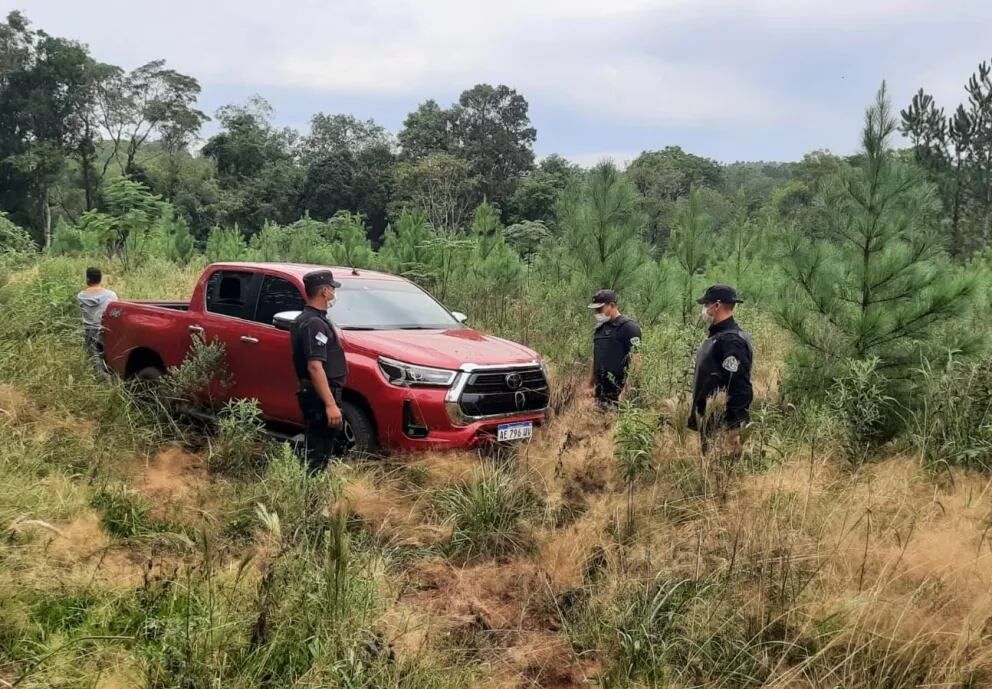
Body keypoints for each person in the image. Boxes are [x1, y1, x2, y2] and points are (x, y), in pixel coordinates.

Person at [290, 270, 348, 473]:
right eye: (332, 289)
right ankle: (311, 499)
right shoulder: (313, 323)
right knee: (318, 454)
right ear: (324, 291)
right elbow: (315, 366)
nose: (334, 293)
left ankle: (312, 491)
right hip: (320, 396)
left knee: (320, 448)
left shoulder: (309, 319)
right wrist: (330, 404)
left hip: (317, 394)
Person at [688, 284, 754, 454]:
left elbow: (740, 388)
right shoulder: (718, 338)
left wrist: (732, 428)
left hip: (722, 427)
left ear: (717, 305)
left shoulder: (731, 341)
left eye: (706, 304)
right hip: (710, 423)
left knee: (721, 474)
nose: (704, 310)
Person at [587, 289, 642, 407]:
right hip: (601, 394)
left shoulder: (629, 328)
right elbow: (595, 357)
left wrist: (625, 391)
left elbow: (637, 362)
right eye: (595, 310)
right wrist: (590, 385)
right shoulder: (599, 329)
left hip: (622, 396)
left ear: (612, 305)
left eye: (599, 309)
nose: (596, 313)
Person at [76, 267, 118, 366]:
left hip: (90, 331)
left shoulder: (81, 296)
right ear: (100, 279)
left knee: (92, 362)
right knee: (107, 361)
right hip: (106, 330)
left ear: (88, 279)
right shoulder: (111, 295)